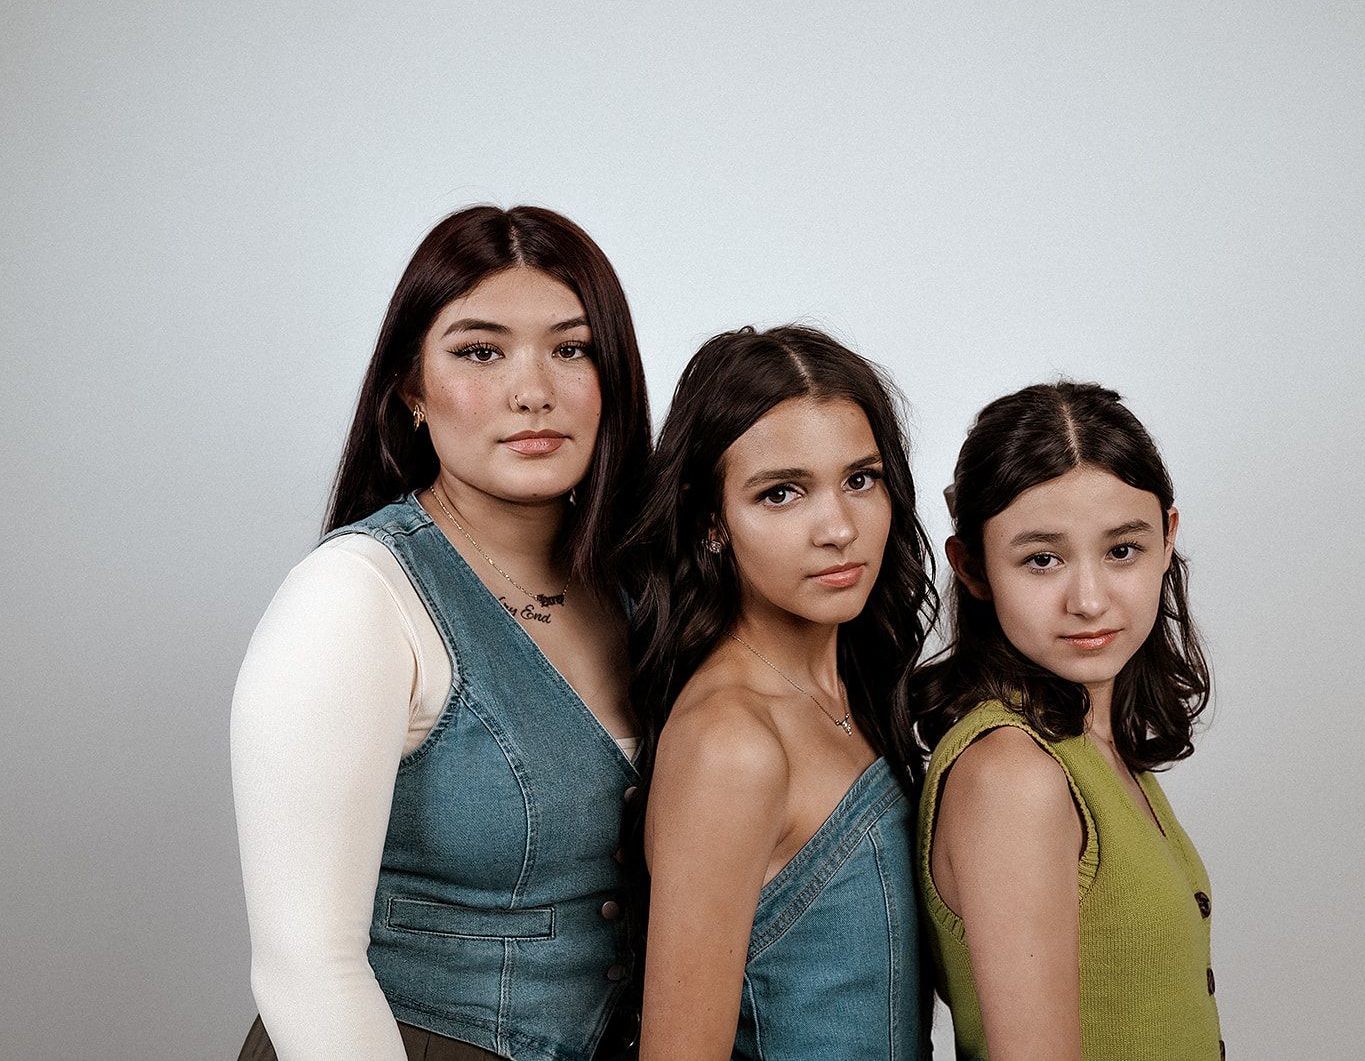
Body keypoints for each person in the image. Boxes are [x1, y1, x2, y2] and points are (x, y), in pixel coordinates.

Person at [231, 205, 651, 1061]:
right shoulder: (354, 596)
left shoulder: (640, 590)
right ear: (410, 390)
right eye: (479, 351)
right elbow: (306, 967)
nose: (533, 390)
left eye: (572, 348)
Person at [623, 326, 937, 1060]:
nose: (838, 528)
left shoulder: (857, 692)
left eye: (860, 479)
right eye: (782, 493)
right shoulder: (731, 743)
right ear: (711, 522)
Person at [915, 381, 1221, 1061]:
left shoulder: (1093, 745)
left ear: (1168, 537)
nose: (1089, 600)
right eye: (1042, 559)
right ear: (972, 567)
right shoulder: (1012, 776)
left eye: (1122, 550)